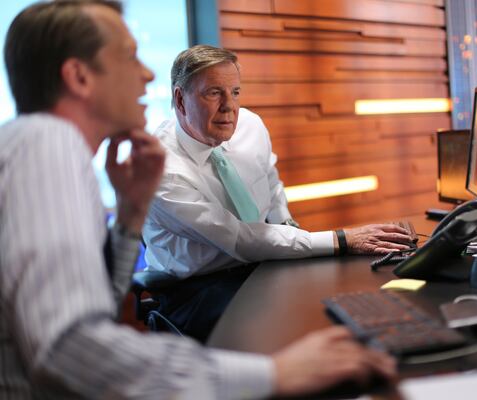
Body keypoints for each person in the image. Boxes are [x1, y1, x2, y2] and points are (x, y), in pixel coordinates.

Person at [0, 1, 396, 398]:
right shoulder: (46, 143)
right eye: (129, 56)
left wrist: (130, 213)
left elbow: (96, 309)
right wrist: (273, 374)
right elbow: (69, 352)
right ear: (79, 77)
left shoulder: (46, 150)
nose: (147, 73)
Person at [142, 44, 415, 340]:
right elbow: (239, 239)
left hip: (262, 264)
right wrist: (341, 239)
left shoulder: (250, 125)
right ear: (180, 100)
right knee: (291, 328)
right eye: (213, 93)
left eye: (234, 92)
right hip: (199, 289)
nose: (229, 107)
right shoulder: (159, 169)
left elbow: (270, 184)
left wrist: (288, 228)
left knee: (343, 294)